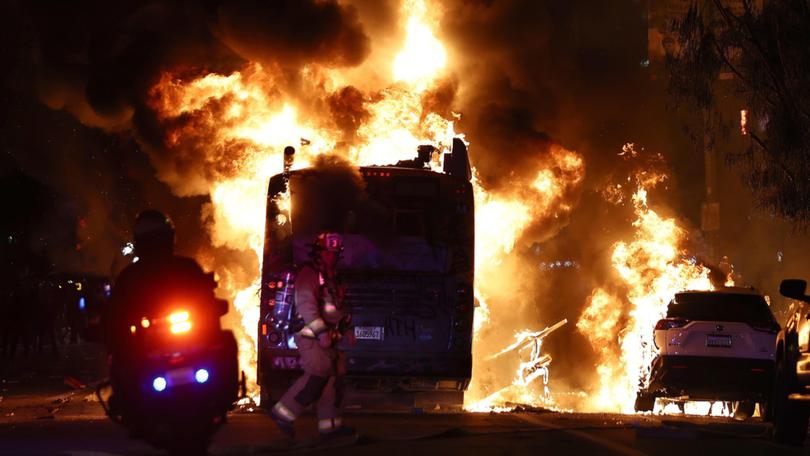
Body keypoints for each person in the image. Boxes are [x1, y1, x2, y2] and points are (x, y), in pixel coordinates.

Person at [104, 210, 220, 413]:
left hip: (189, 339)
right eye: (152, 240)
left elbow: (208, 302)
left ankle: (222, 390)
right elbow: (115, 314)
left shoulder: (186, 269)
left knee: (222, 343)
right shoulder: (131, 277)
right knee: (119, 354)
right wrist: (108, 328)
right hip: (144, 344)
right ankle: (126, 399)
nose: (155, 245)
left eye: (159, 238)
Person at [270, 232, 354, 439]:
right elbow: (307, 305)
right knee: (317, 376)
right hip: (313, 338)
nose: (332, 257)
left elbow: (342, 307)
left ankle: (330, 428)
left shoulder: (334, 277)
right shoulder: (309, 274)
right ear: (319, 253)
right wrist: (322, 332)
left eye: (335, 253)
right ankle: (282, 414)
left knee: (333, 383)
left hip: (332, 339)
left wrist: (349, 329)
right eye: (328, 252)